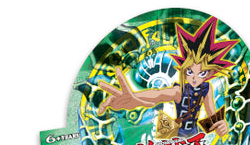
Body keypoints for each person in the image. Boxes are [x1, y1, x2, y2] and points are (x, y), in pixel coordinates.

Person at [98, 16, 238, 138]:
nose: (194, 78)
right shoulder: (179, 90)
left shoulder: (207, 89)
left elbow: (212, 116)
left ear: (210, 73)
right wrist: (135, 98)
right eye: (190, 72)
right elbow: (158, 94)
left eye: (201, 73)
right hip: (171, 135)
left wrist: (221, 125)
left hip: (192, 138)